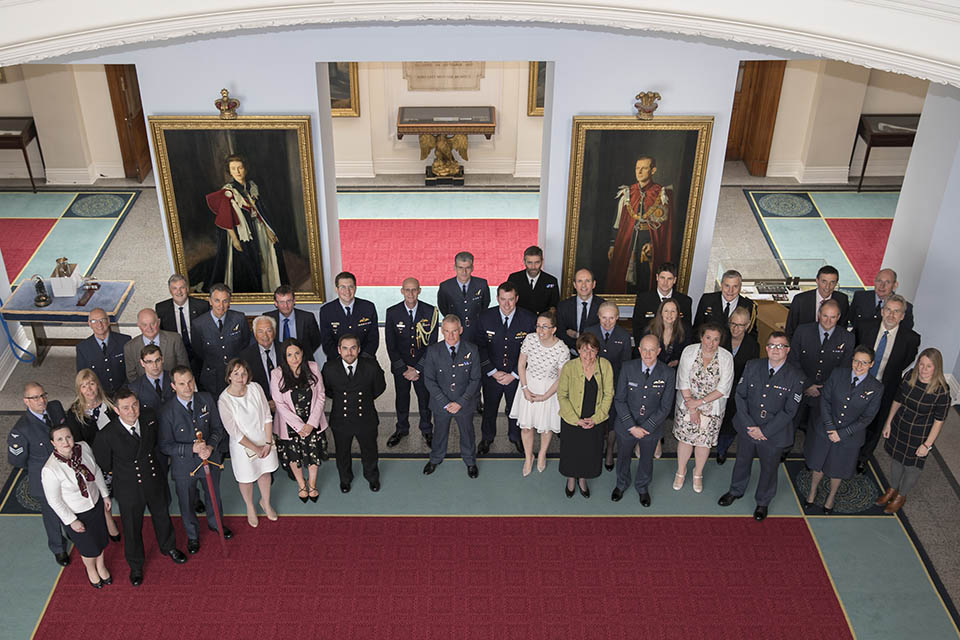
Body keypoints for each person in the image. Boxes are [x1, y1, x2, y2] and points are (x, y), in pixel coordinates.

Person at [93, 388, 187, 586]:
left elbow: (154, 444)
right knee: (132, 527)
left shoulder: (149, 418)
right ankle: (136, 565)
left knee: (162, 516)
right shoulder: (107, 435)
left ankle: (168, 547)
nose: (132, 410)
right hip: (128, 488)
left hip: (153, 479)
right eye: (125, 408)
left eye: (134, 405)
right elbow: (104, 463)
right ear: (117, 410)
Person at [718, 332, 804, 521]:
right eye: (772, 345)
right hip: (748, 426)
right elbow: (740, 396)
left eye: (780, 346)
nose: (775, 349)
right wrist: (750, 426)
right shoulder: (752, 366)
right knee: (742, 460)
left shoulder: (796, 377)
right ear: (766, 348)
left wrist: (764, 431)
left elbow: (789, 411)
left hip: (773, 433)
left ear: (787, 350)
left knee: (769, 468)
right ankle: (736, 490)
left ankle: (763, 501)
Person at [158, 366, 232, 554]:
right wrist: (190, 448)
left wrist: (210, 447)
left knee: (213, 494)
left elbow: (217, 429)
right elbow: (165, 445)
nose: (187, 387)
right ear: (173, 386)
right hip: (184, 466)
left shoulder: (206, 399)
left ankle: (216, 523)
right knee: (186, 501)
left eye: (190, 381)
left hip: (209, 459)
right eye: (181, 383)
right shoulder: (167, 411)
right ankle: (192, 535)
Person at [803, 346, 883, 513]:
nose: (858, 366)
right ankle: (812, 491)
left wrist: (842, 433)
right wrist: (831, 427)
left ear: (871, 364)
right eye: (856, 361)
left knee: (837, 468)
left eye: (864, 363)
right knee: (818, 464)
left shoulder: (876, 387)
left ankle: (831, 497)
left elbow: (867, 417)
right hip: (826, 429)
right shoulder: (838, 374)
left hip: (849, 437)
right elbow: (825, 400)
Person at [877, 348, 951, 514]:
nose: (923, 370)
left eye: (929, 366)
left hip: (920, 434)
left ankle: (901, 496)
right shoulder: (910, 375)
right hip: (900, 426)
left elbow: (939, 422)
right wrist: (888, 423)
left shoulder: (942, 391)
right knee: (896, 459)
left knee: (911, 467)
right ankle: (892, 489)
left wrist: (927, 445)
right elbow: (897, 400)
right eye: (921, 364)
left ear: (936, 368)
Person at [854, 294, 920, 475]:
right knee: (852, 418)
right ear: (882, 311)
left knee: (876, 425)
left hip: (885, 388)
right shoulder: (864, 327)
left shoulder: (911, 339)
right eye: (888, 310)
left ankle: (863, 457)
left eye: (896, 312)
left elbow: (904, 362)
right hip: (858, 383)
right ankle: (849, 451)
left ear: (903, 316)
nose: (891, 315)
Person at [204, 153, 289, 293]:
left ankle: (268, 289)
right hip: (241, 233)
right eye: (233, 169)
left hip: (258, 229)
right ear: (229, 171)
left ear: (245, 169)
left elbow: (259, 212)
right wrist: (235, 240)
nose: (237, 172)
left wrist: (267, 230)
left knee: (268, 254)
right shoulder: (228, 191)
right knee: (245, 265)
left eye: (240, 168)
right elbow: (226, 219)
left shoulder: (252, 186)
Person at [7, 382, 71, 565]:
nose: (41, 400)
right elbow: (17, 461)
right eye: (35, 398)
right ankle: (58, 548)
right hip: (44, 480)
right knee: (51, 515)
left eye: (43, 395)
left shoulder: (55, 407)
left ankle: (72, 532)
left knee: (70, 503)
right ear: (26, 401)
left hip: (66, 470)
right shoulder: (20, 431)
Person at [41, 426, 113, 588]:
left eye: (68, 437)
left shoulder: (83, 448)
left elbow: (96, 471)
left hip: (95, 505)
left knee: (100, 540)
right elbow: (54, 500)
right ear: (53, 443)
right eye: (60, 439)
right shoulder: (50, 469)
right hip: (77, 514)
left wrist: (104, 495)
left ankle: (101, 566)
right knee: (88, 547)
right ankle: (91, 570)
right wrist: (71, 520)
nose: (65, 442)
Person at [612, 335, 677, 506]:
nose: (648, 354)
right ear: (639, 350)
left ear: (658, 351)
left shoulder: (668, 373)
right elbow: (619, 399)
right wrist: (631, 426)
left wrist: (647, 427)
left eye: (652, 350)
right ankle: (621, 484)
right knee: (623, 456)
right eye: (644, 349)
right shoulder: (627, 368)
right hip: (627, 425)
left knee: (646, 459)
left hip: (651, 427)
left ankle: (642, 487)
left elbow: (665, 406)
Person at [672, 321, 734, 493]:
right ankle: (681, 471)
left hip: (711, 408)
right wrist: (692, 408)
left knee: (703, 443)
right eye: (708, 337)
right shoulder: (689, 351)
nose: (710, 343)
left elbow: (723, 388)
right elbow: (682, 380)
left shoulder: (726, 357)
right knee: (685, 440)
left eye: (715, 339)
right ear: (701, 337)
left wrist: (699, 404)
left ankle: (698, 473)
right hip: (687, 403)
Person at [321, 334, 387, 493]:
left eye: (352, 348)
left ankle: (372, 477)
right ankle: (345, 479)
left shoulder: (371, 366)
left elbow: (379, 387)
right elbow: (328, 391)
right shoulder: (329, 368)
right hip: (341, 419)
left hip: (366, 417)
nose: (349, 352)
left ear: (358, 349)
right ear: (339, 350)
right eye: (345, 348)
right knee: (342, 453)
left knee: (370, 451)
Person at [218, 358, 279, 527]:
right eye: (236, 373)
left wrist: (267, 443)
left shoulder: (256, 388)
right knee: (246, 478)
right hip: (243, 446)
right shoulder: (224, 400)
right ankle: (250, 506)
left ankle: (265, 502)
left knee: (265, 473)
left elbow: (267, 415)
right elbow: (234, 432)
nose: (240, 377)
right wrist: (255, 448)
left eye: (243, 373)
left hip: (264, 439)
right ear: (229, 376)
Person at [786, 300, 853, 454]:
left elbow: (843, 369)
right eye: (825, 316)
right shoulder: (802, 331)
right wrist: (807, 384)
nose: (828, 321)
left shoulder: (847, 338)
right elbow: (793, 361)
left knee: (817, 428)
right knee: (791, 421)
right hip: (800, 387)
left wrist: (823, 389)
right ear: (818, 315)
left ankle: (810, 455)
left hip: (825, 392)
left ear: (839, 317)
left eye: (833, 317)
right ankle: (785, 448)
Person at [477, 282, 536, 456]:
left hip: (516, 375)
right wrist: (493, 371)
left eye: (511, 299)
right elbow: (479, 347)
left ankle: (515, 437)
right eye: (503, 299)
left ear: (516, 298)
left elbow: (533, 349)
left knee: (515, 408)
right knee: (489, 408)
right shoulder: (485, 317)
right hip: (492, 375)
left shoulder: (529, 319)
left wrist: (515, 374)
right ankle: (487, 437)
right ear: (497, 298)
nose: (507, 304)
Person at [64, 369, 122, 541]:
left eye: (91, 384)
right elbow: (78, 445)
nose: (89, 389)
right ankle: (109, 521)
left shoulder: (111, 403)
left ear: (97, 385)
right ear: (79, 390)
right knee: (102, 496)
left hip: (117, 457)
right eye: (83, 386)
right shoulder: (74, 413)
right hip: (93, 464)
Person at [510, 310, 570, 475]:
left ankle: (542, 454)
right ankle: (528, 457)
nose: (540, 330)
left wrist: (545, 396)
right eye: (538, 326)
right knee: (526, 427)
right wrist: (524, 388)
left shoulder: (562, 349)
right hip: (527, 385)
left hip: (549, 390)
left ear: (554, 329)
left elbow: (561, 378)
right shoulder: (530, 339)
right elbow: (521, 365)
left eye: (545, 327)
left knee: (545, 428)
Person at [422, 315, 481, 479]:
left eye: (454, 331)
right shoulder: (433, 351)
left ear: (460, 330)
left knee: (467, 433)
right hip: (442, 404)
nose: (451, 336)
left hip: (465, 404)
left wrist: (461, 402)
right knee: (439, 432)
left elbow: (475, 379)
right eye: (447, 331)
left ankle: (470, 462)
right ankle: (435, 459)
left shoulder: (472, 349)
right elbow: (429, 379)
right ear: (442, 331)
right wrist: (445, 402)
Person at [271, 338, 328, 502]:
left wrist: (311, 423)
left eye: (297, 353)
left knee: (313, 454)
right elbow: (279, 404)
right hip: (290, 425)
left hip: (312, 421)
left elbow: (321, 395)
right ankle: (301, 484)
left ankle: (312, 484)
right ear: (284, 357)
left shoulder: (313, 367)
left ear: (302, 353)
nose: (294, 358)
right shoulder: (277, 374)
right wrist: (299, 426)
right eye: (290, 355)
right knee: (294, 457)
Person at [384, 277, 438, 448]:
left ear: (419, 290)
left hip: (423, 367)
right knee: (401, 398)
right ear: (402, 291)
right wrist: (403, 368)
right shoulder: (392, 312)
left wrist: (418, 369)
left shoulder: (431, 312)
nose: (411, 293)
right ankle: (401, 428)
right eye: (407, 290)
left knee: (424, 399)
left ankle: (427, 429)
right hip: (402, 368)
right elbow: (390, 344)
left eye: (414, 289)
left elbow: (432, 345)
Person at [606, 155, 673, 293]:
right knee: (623, 277)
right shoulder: (628, 192)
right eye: (637, 168)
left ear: (653, 170)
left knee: (645, 279)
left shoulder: (661, 193)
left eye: (644, 168)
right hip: (627, 242)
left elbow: (663, 230)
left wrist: (652, 244)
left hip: (648, 244)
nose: (639, 172)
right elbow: (618, 222)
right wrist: (613, 244)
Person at [557, 333, 613, 498]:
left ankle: (582, 479)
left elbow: (608, 394)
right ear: (578, 351)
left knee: (589, 452)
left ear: (597, 351)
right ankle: (571, 479)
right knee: (571, 451)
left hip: (594, 419)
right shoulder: (569, 367)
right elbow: (562, 395)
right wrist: (576, 420)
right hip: (572, 419)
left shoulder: (605, 365)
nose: (588, 355)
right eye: (584, 350)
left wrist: (596, 419)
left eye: (592, 350)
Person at [584, 301, 632, 470]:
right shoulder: (589, 332)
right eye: (604, 317)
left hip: (615, 385)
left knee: (611, 420)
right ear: (598, 316)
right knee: (593, 417)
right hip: (591, 384)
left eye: (611, 318)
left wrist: (621, 389)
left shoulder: (624, 336)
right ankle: (593, 451)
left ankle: (610, 450)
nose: (607, 322)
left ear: (617, 318)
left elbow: (626, 365)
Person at [716, 307, 759, 465]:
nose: (735, 328)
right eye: (733, 323)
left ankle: (722, 449)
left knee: (729, 424)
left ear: (747, 325)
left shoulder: (753, 346)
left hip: (737, 392)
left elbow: (751, 375)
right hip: (715, 387)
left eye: (740, 325)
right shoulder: (720, 338)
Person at [192, 283, 251, 396]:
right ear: (210, 301)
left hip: (237, 377)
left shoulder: (239, 318)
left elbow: (245, 343)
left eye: (225, 301)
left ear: (229, 302)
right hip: (213, 380)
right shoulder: (199, 324)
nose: (221, 305)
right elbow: (198, 351)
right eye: (217, 300)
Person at [318, 271, 380, 360]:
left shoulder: (368, 307)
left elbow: (373, 338)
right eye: (342, 287)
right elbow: (327, 342)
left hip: (365, 359)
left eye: (350, 287)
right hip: (337, 361)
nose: (347, 291)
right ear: (336, 289)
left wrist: (361, 360)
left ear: (355, 288)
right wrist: (343, 361)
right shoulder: (326, 311)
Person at [155, 274, 210, 374]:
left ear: (187, 288)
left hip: (199, 354)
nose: (179, 292)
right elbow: (161, 334)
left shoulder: (202, 306)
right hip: (175, 356)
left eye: (182, 288)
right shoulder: (161, 309)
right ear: (170, 290)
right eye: (174, 288)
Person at [437, 251, 490, 347]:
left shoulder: (482, 284)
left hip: (476, 331)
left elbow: (485, 304)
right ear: (455, 268)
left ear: (472, 268)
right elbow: (443, 307)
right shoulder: (445, 287)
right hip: (454, 332)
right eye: (460, 268)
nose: (464, 272)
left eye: (467, 268)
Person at [76, 307, 131, 396]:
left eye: (102, 319)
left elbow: (132, 369)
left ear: (108, 321)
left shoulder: (124, 341)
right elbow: (82, 378)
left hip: (125, 392)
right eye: (94, 321)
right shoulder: (83, 348)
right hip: (99, 394)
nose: (99, 324)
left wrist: (125, 392)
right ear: (89, 324)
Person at [631, 262, 693, 340]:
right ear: (657, 277)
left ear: (675, 280)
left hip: (675, 348)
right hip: (650, 348)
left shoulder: (685, 301)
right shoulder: (643, 299)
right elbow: (637, 328)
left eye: (669, 279)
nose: (665, 282)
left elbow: (687, 330)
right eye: (662, 278)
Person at [123, 308, 189, 381]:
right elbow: (132, 376)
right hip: (145, 390)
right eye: (145, 325)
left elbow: (184, 369)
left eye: (152, 323)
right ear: (139, 325)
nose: (149, 328)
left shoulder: (174, 339)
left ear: (158, 322)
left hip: (173, 387)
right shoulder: (130, 347)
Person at [784, 265, 849, 338]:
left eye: (832, 282)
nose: (827, 287)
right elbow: (790, 330)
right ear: (817, 281)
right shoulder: (800, 300)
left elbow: (842, 328)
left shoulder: (842, 300)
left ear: (836, 283)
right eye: (824, 282)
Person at [693, 269, 757, 336]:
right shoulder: (707, 300)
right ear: (721, 285)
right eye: (727, 286)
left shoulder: (748, 305)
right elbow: (697, 329)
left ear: (740, 287)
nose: (730, 291)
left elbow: (751, 334)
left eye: (735, 286)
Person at [556, 268, 605, 353]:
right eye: (579, 281)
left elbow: (605, 333)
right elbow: (560, 333)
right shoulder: (563, 306)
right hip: (570, 353)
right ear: (574, 285)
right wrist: (578, 349)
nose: (584, 285)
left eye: (587, 281)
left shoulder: (603, 306)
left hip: (595, 354)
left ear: (593, 284)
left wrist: (576, 335)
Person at [849, 268, 915, 332]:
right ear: (874, 282)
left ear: (895, 285)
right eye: (879, 281)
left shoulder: (905, 307)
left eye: (887, 282)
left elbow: (905, 332)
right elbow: (852, 318)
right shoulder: (860, 297)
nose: (882, 286)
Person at [267, 285, 321, 360]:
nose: (285, 306)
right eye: (281, 302)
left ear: (294, 301)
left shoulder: (307, 318)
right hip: (277, 361)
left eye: (288, 301)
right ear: (275, 303)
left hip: (302, 361)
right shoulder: (268, 318)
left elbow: (316, 341)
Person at [240, 315, 281, 410]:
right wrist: (265, 403)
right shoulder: (245, 356)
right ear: (254, 334)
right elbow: (246, 386)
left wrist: (279, 403)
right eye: (260, 331)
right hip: (259, 407)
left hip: (287, 407)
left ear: (274, 332)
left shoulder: (286, 351)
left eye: (269, 331)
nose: (265, 336)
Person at [507, 245, 560, 315]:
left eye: (537, 262)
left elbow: (554, 307)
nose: (533, 267)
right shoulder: (514, 279)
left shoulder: (551, 281)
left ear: (542, 261)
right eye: (529, 262)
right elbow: (508, 302)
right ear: (524, 262)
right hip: (519, 320)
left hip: (541, 322)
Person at [128, 344, 176, 414]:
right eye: (149, 362)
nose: (155, 365)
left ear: (162, 359)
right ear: (142, 363)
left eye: (157, 360)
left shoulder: (175, 378)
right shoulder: (135, 388)